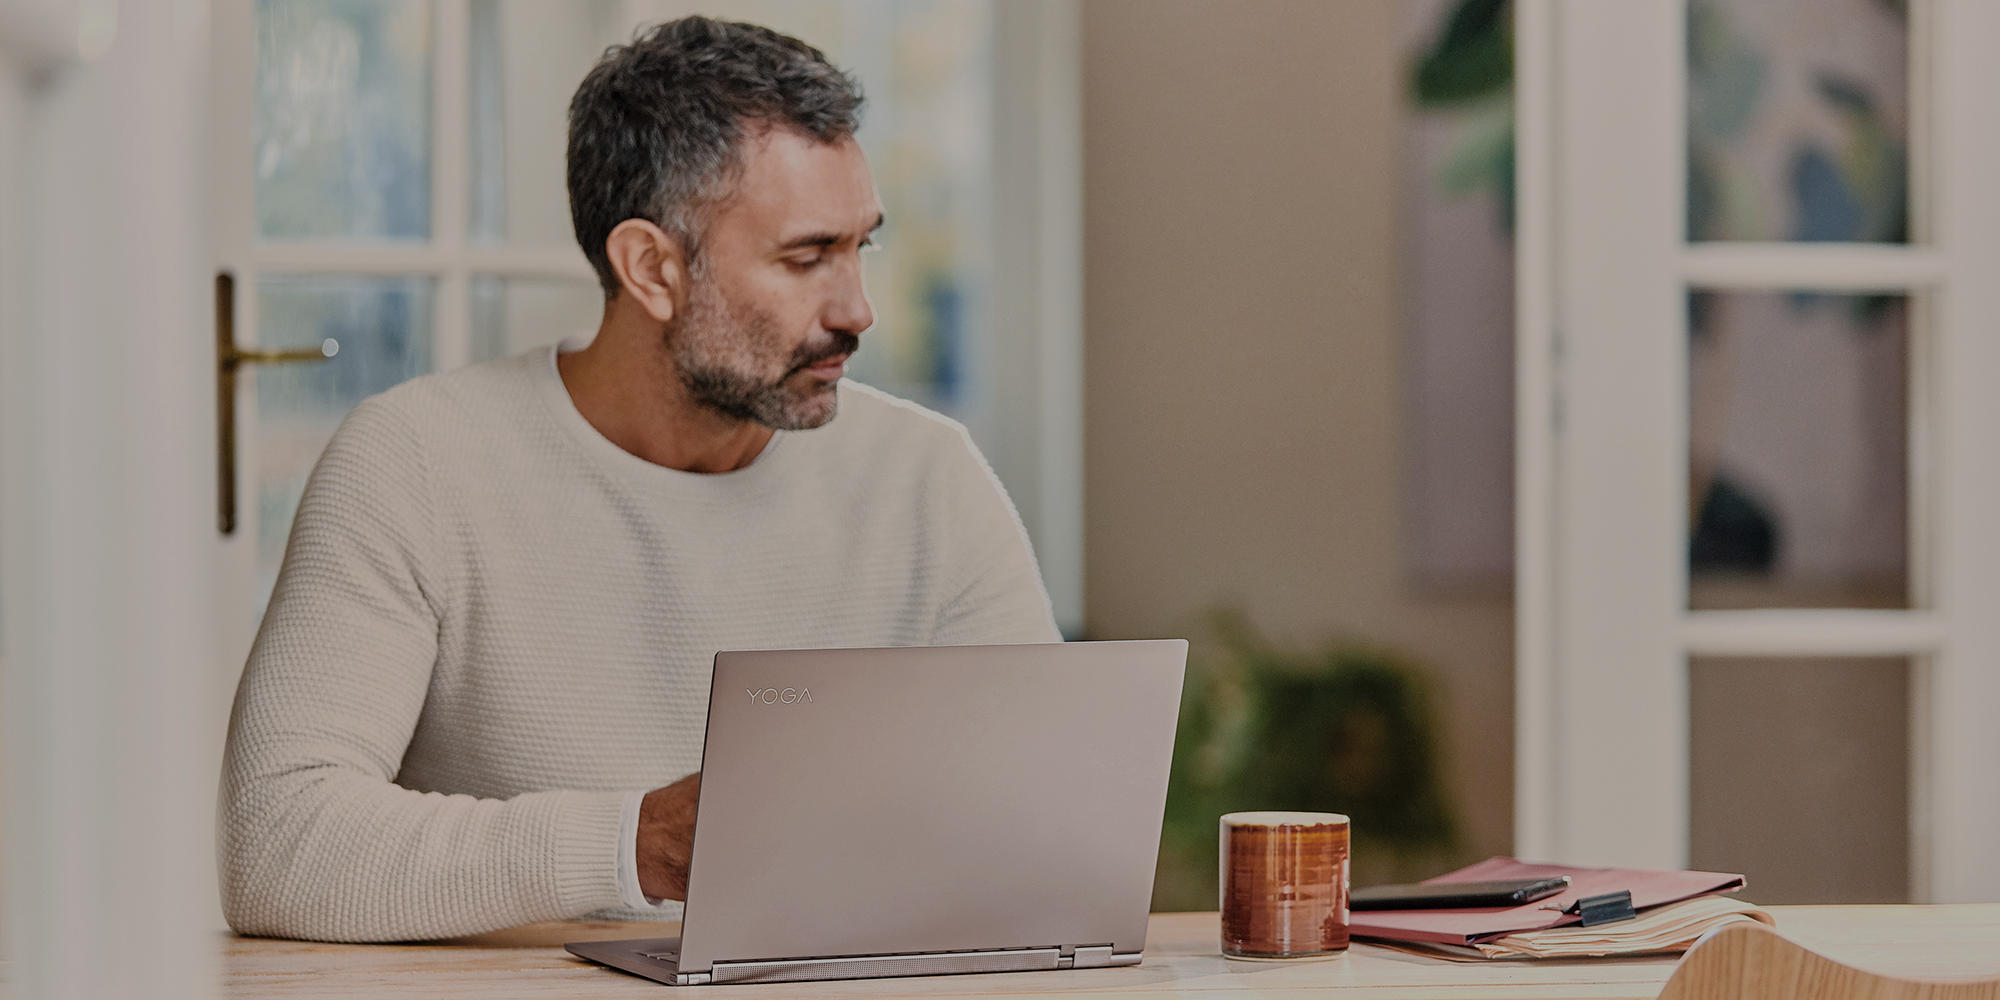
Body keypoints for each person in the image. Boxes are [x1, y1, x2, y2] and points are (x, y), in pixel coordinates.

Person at [217, 16, 1058, 943]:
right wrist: (636, 845)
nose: (856, 308)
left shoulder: (928, 479)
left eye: (864, 246)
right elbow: (278, 842)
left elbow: (1052, 833)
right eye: (807, 257)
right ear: (651, 269)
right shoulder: (414, 462)